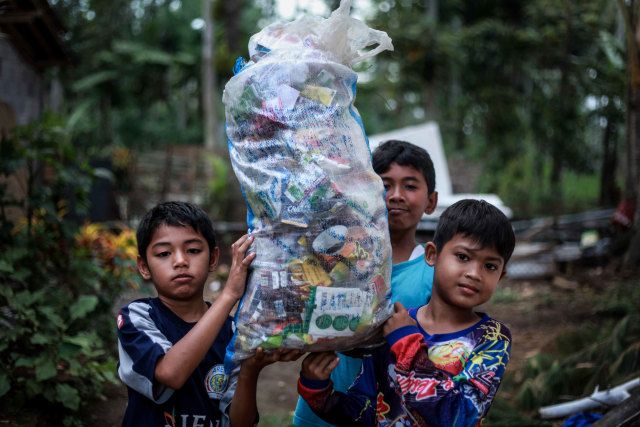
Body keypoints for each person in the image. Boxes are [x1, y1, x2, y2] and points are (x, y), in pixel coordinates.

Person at [298, 199, 515, 426]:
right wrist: (318, 389)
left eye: (490, 266)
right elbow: (364, 412)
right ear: (432, 255)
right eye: (463, 257)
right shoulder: (394, 325)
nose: (474, 273)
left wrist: (406, 343)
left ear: (500, 276)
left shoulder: (492, 338)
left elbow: (459, 417)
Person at [293, 140, 439, 426]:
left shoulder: (434, 275)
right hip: (321, 402)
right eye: (384, 184)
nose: (396, 196)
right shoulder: (330, 257)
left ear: (431, 201)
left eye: (410, 186)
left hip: (393, 414)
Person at [116, 201, 256, 426]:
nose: (180, 261)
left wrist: (251, 369)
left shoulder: (234, 332)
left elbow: (241, 423)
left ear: (212, 258)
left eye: (193, 250)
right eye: (163, 253)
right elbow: (171, 373)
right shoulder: (137, 317)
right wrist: (229, 294)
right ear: (143, 267)